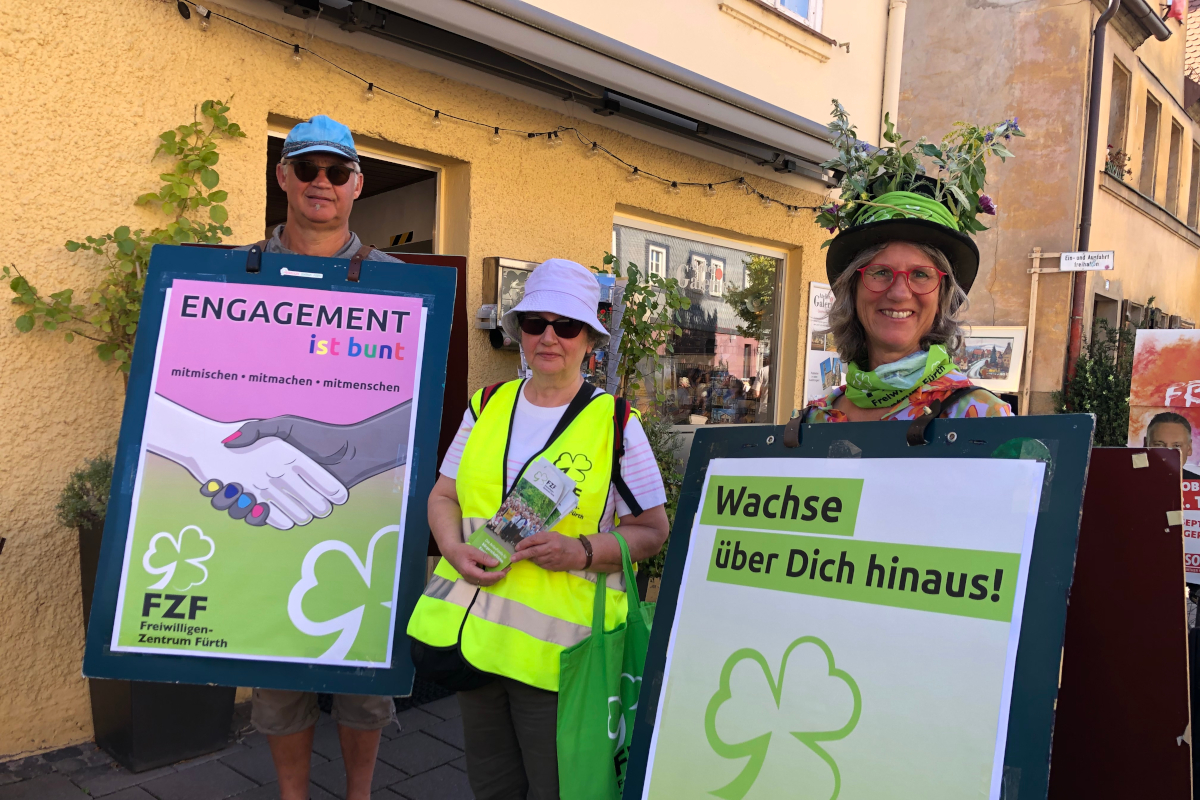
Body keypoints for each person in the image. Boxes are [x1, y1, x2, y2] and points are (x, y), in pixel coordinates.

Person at [407, 258, 671, 800]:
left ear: (589, 339)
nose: (549, 337)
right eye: (536, 323)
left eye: (567, 326)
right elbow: (444, 496)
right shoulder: (486, 405)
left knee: (557, 789)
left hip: (561, 655)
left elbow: (652, 530)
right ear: (520, 333)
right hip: (477, 639)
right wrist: (452, 547)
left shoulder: (617, 423)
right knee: (493, 788)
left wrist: (580, 550)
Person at [236, 114, 401, 800]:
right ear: (283, 176)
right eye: (307, 168)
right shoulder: (238, 273)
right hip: (269, 497)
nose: (321, 182)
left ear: (357, 184)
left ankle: (360, 794)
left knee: (363, 679)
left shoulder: (396, 283)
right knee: (277, 675)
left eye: (337, 171)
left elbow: (417, 401)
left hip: (366, 508)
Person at [804, 186, 1013, 423]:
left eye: (921, 274)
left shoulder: (982, 417)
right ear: (853, 290)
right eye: (881, 272)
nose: (899, 293)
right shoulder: (813, 420)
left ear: (942, 298)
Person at [1145, 411, 1199, 478]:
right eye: (1159, 445)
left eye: (1177, 446)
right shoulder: (1132, 482)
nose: (1168, 454)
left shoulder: (1197, 482)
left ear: (1189, 448)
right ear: (1145, 445)